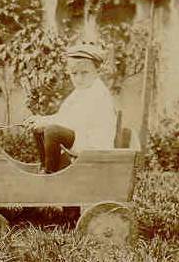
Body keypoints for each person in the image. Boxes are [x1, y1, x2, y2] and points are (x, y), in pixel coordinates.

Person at [22, 43, 120, 173]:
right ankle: (46, 167)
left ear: (97, 72)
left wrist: (46, 123)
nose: (79, 78)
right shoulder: (81, 91)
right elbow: (64, 116)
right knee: (39, 128)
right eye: (74, 73)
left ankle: (50, 176)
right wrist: (41, 119)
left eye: (84, 73)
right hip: (82, 140)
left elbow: (76, 122)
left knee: (52, 131)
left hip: (95, 149)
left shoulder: (98, 94)